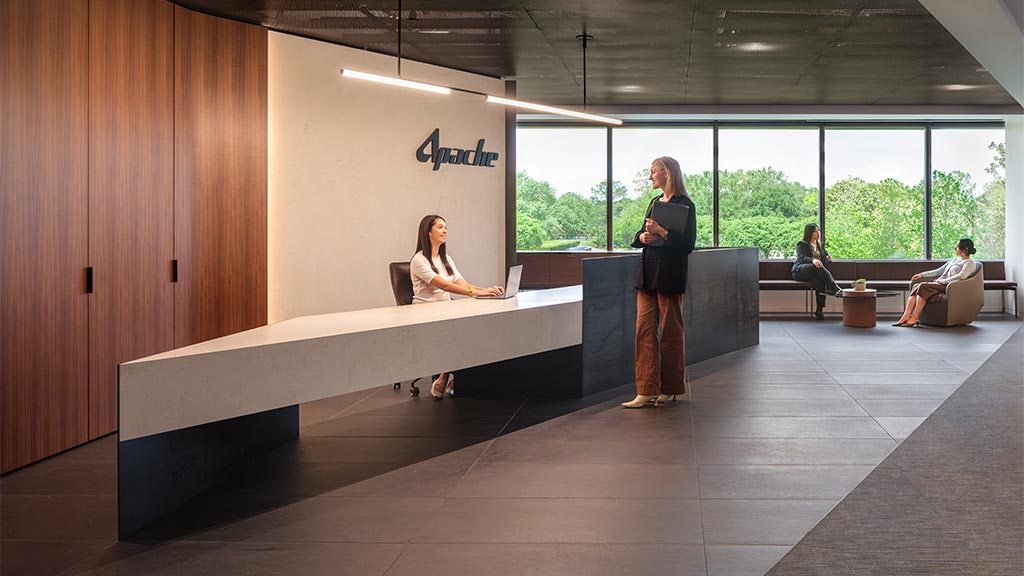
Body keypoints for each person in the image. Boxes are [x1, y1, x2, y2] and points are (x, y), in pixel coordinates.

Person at [622, 156, 697, 409]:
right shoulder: (654, 202)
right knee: (643, 332)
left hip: (670, 276)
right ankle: (646, 389)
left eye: (653, 172)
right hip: (647, 276)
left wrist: (662, 232)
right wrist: (643, 236)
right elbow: (640, 234)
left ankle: (671, 388)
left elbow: (687, 245)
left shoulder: (685, 204)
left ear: (666, 172)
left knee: (671, 332)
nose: (650, 176)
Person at [410, 214, 503, 398]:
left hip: (446, 310)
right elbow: (444, 285)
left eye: (446, 227)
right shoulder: (419, 260)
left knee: (474, 329)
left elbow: (462, 284)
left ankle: (448, 375)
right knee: (461, 334)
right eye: (440, 227)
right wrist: (476, 293)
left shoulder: (446, 259)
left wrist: (487, 290)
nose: (445, 231)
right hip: (426, 313)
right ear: (428, 232)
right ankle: (449, 375)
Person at [893, 238, 977, 327]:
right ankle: (906, 316)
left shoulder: (969, 263)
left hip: (950, 287)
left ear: (965, 249)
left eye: (957, 246)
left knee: (922, 286)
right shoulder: (955, 260)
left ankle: (915, 317)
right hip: (941, 283)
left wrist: (943, 281)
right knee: (916, 286)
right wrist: (922, 275)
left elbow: (962, 276)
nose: (955, 248)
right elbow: (939, 271)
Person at [792, 223, 842, 320]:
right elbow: (802, 258)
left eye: (818, 231)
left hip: (815, 272)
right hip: (800, 271)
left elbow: (823, 262)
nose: (818, 233)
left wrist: (828, 259)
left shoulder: (820, 246)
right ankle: (833, 287)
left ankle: (819, 310)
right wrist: (813, 260)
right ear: (809, 233)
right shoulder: (802, 244)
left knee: (820, 282)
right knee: (816, 266)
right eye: (815, 231)